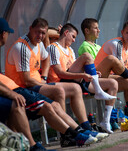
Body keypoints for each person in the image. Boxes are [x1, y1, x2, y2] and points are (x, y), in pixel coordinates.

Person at [5, 18, 108, 147]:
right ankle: (66, 136)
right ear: (30, 29)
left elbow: (45, 57)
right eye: (38, 32)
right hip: (23, 88)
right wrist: (45, 83)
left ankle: (86, 128)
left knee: (75, 88)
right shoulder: (21, 47)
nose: (40, 36)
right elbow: (26, 80)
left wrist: (43, 76)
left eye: (43, 33)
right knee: (58, 90)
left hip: (37, 83)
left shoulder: (39, 43)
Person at [47, 23, 118, 134]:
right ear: (66, 33)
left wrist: (91, 73)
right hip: (60, 82)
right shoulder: (53, 47)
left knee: (113, 83)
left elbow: (74, 69)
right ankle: (97, 90)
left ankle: (106, 122)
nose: (74, 40)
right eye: (73, 36)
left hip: (75, 80)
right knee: (86, 56)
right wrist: (83, 75)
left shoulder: (70, 50)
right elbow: (60, 73)